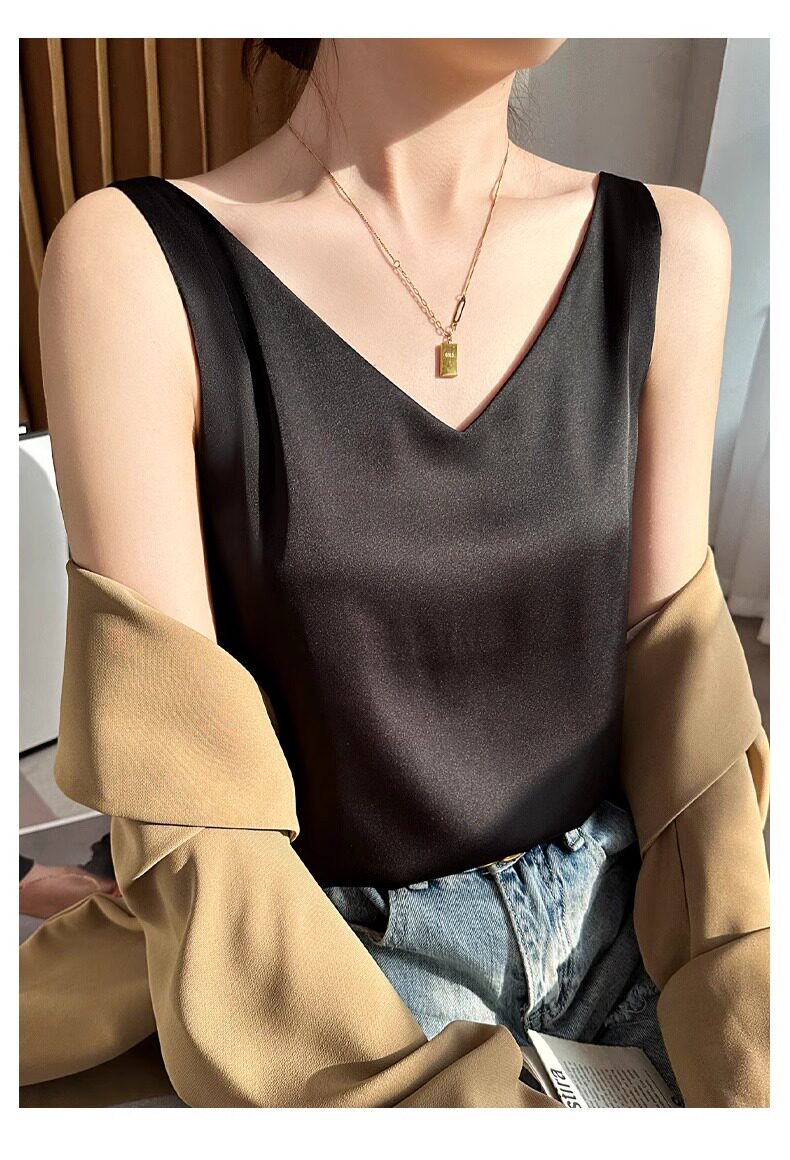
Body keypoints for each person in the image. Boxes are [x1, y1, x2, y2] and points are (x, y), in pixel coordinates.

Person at [38, 39, 731, 1106]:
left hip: (633, 917)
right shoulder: (135, 262)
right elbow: (187, 788)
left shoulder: (668, 248)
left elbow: (691, 722)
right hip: (336, 965)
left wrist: (745, 1027)